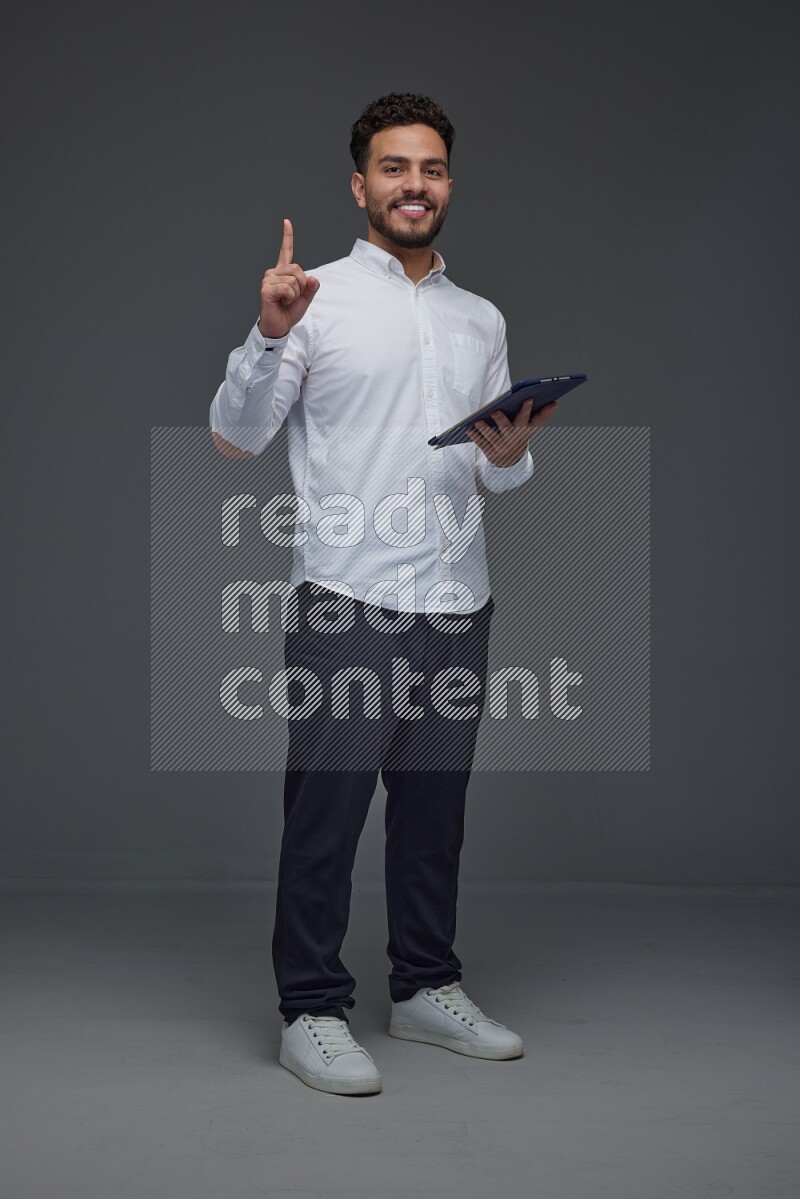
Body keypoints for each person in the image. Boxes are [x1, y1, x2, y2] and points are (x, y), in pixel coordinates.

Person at [209, 92, 556, 1096]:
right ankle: (310, 1008)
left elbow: (494, 475)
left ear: (448, 184)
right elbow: (236, 435)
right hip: (346, 599)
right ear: (360, 185)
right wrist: (267, 333)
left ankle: (424, 987)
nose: (415, 185)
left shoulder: (478, 318)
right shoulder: (311, 299)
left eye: (432, 168)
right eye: (395, 168)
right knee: (327, 813)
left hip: (457, 599)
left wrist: (510, 453)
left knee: (433, 815)